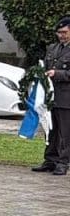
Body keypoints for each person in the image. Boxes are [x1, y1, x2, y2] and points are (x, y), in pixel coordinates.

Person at [31, 17, 70, 175]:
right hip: (50, 96)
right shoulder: (52, 48)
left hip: (66, 98)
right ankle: (50, 160)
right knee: (50, 130)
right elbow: (46, 67)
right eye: (59, 33)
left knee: (65, 132)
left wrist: (58, 74)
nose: (61, 35)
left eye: (65, 32)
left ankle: (63, 161)